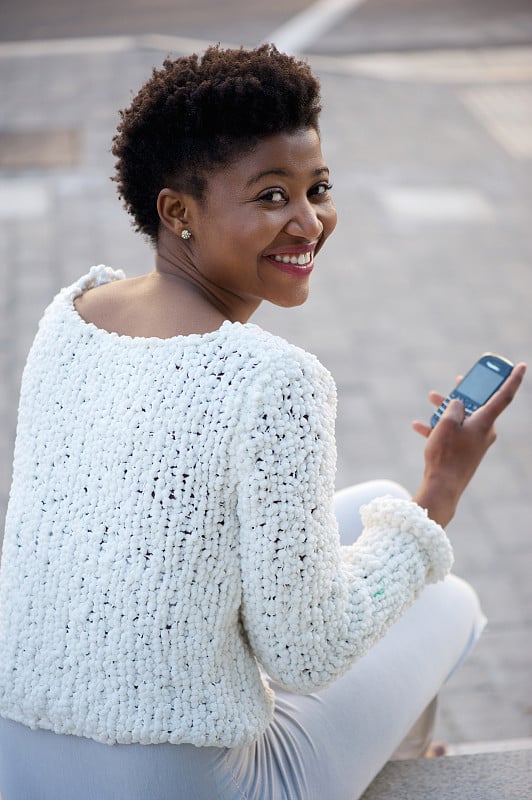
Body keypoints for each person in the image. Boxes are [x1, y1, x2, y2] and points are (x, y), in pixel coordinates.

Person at [0, 44, 525, 800]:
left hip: (24, 762)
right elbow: (306, 652)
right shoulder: (275, 380)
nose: (309, 221)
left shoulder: (73, 315)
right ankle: (401, 767)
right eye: (272, 196)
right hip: (191, 785)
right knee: (443, 593)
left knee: (372, 500)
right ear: (177, 211)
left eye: (319, 187)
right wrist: (441, 491)